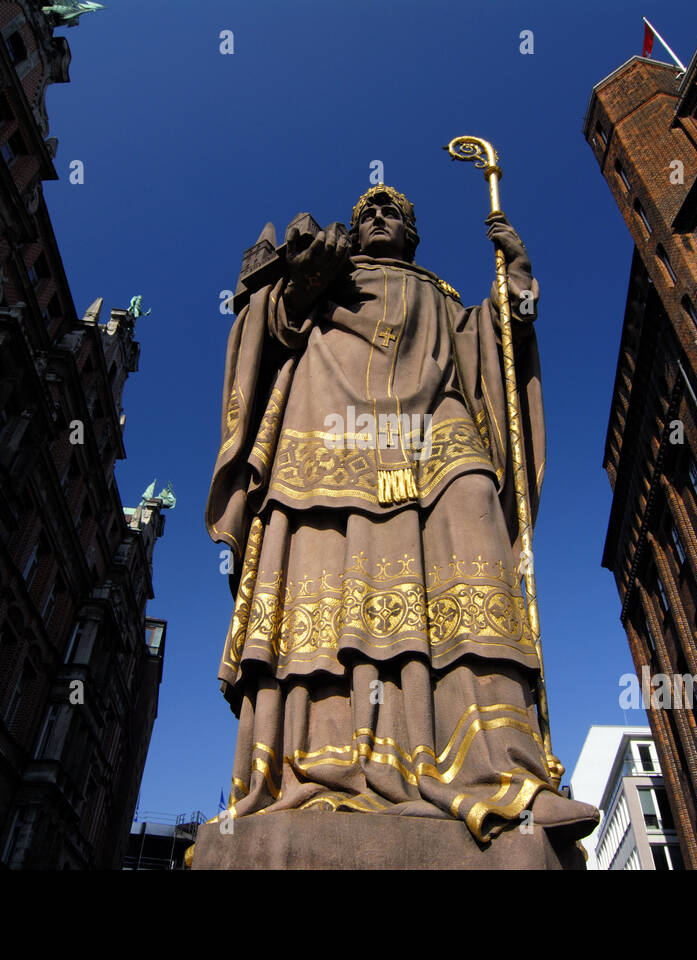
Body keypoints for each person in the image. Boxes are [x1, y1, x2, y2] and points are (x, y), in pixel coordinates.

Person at [205, 184, 597, 844]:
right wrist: (301, 286)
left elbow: (497, 355)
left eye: (393, 212)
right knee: (323, 599)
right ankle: (323, 769)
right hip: (327, 441)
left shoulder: (444, 299)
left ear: (412, 234)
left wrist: (516, 288)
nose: (378, 217)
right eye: (367, 213)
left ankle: (507, 773)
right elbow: (263, 328)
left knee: (477, 533)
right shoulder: (332, 273)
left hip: (433, 435)